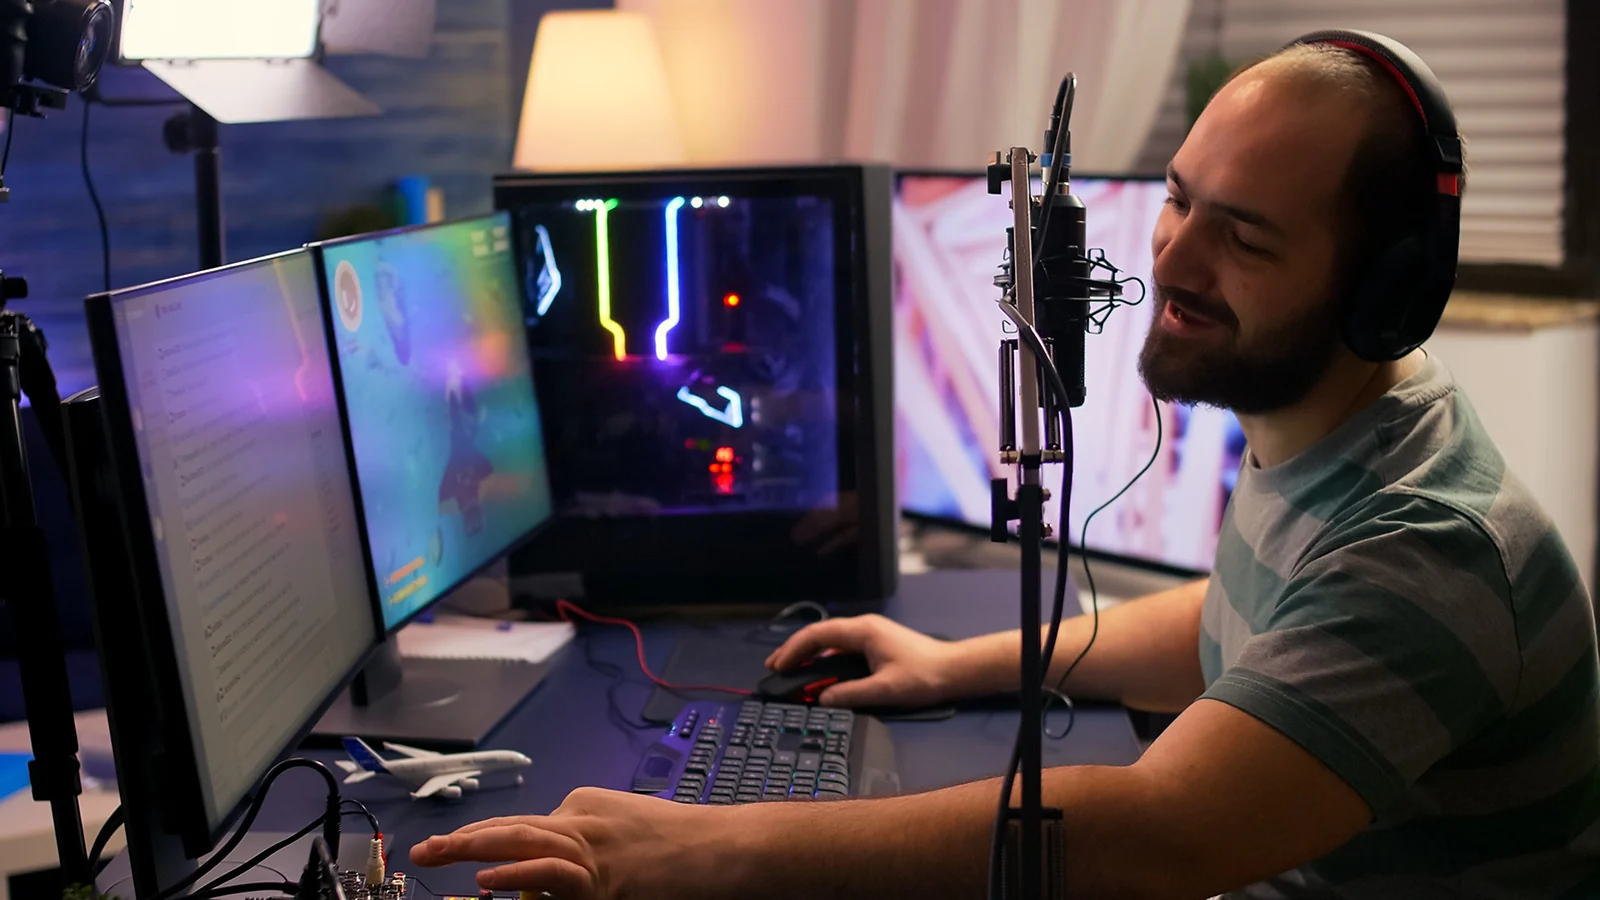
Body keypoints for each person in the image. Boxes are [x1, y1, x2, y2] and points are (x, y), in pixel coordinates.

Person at [408, 36, 1600, 900]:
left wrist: (709, 848)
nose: (1174, 259)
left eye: (1244, 237)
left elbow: (1157, 833)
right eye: (1180, 202)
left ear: (1381, 293)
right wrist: (956, 666)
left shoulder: (1423, 548)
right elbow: (1250, 617)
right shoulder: (1344, 428)